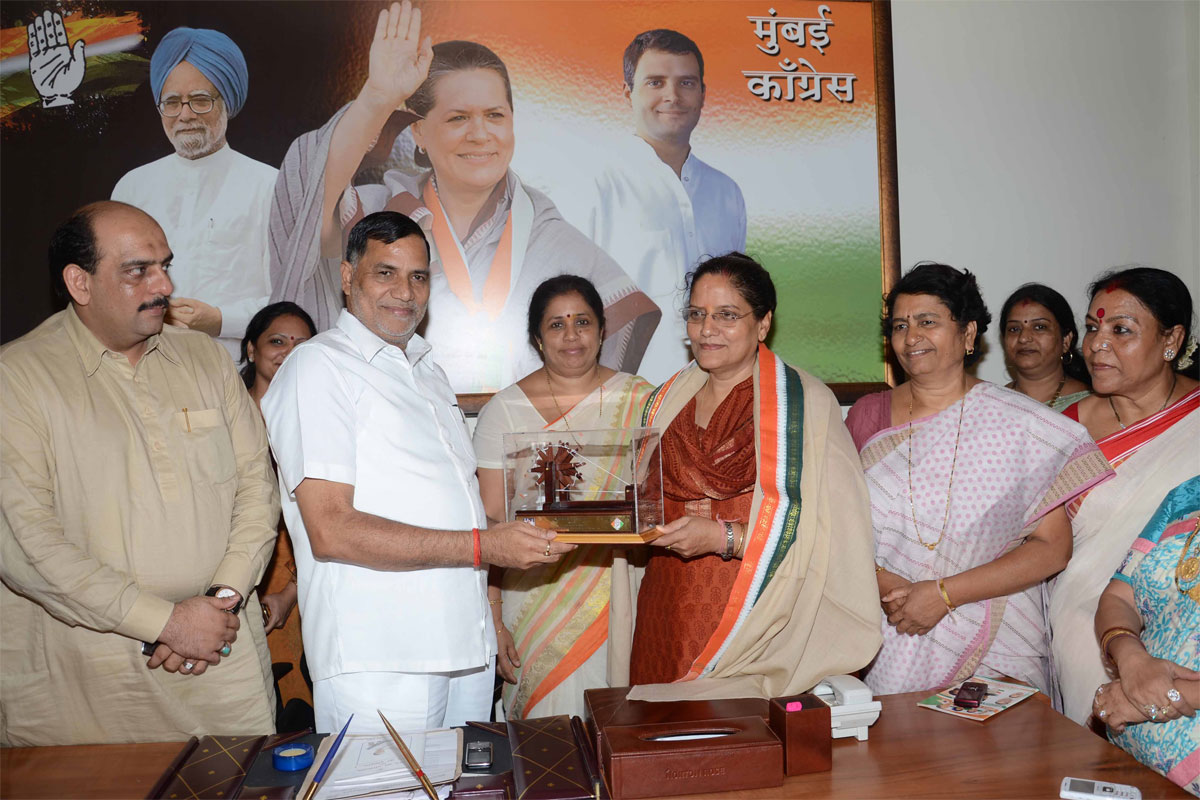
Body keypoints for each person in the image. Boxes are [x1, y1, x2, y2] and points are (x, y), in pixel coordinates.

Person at [261, 211, 574, 734]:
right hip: (382, 658)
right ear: (346, 276)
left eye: (419, 276)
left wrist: (486, 617)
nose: (404, 291)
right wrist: (485, 546)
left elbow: (452, 506)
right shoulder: (318, 366)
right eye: (385, 272)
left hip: (463, 652)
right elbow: (331, 529)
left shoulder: (428, 370)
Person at [270, 1, 658, 393]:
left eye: (495, 115)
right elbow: (306, 209)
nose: (480, 134)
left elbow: (601, 370)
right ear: (418, 133)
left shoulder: (552, 236)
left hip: (520, 441)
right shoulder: (381, 211)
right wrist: (377, 97)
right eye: (458, 118)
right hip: (394, 435)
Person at [0, 201, 278, 745]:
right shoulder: (18, 377)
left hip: (221, 660)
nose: (165, 284)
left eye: (165, 265)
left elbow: (256, 488)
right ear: (79, 282)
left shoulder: (204, 359)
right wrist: (165, 622)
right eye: (139, 270)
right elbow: (27, 545)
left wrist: (221, 602)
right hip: (86, 681)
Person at [612, 253, 880, 701]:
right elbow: (639, 501)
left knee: (739, 751)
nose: (707, 329)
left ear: (763, 323)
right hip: (665, 608)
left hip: (754, 617)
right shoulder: (663, 402)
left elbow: (833, 533)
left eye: (727, 315)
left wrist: (723, 539)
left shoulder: (805, 405)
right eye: (696, 314)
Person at [845, 263, 1112, 697]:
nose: (911, 337)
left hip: (998, 641)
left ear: (968, 335)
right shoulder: (866, 418)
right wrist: (885, 583)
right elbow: (838, 530)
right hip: (892, 628)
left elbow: (1052, 548)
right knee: (900, 763)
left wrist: (943, 595)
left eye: (927, 322)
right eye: (899, 325)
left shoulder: (1022, 425)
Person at [473, 275, 655, 718]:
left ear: (602, 331)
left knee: (618, 730)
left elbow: (656, 506)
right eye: (556, 325)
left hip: (619, 594)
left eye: (582, 322)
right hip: (533, 594)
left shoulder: (642, 400)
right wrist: (494, 618)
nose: (571, 336)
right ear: (537, 338)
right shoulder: (504, 411)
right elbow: (491, 522)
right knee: (547, 745)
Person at [551, 29, 746, 384]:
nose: (672, 96)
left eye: (686, 83)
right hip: (624, 399)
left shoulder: (726, 192)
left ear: (703, 94)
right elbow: (565, 305)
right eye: (655, 82)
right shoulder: (593, 185)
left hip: (716, 393)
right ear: (628, 93)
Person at [1050, 266, 1199, 724]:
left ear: (1172, 340)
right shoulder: (1062, 427)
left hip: (1186, 619)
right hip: (1087, 621)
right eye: (1093, 328)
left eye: (1121, 330)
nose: (1096, 344)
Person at [112, 27, 277, 361]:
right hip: (145, 373)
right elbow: (111, 290)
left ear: (227, 103)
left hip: (234, 374)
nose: (185, 114)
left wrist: (219, 320)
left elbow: (290, 299)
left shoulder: (269, 186)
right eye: (172, 102)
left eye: (200, 100)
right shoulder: (132, 187)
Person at [1090, 476, 1199, 795]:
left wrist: (1151, 697)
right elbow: (1120, 597)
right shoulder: (1186, 497)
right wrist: (1131, 658)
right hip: (1130, 759)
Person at [239, 301, 317, 712]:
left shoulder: (323, 421)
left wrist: (292, 592)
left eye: (302, 343)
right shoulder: (223, 416)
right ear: (251, 349)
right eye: (277, 340)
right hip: (236, 578)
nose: (288, 350)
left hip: (308, 578)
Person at [999, 283, 1091, 411]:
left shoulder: (1092, 405)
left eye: (1039, 327)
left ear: (1066, 340)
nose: (1023, 338)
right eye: (1014, 329)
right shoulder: (992, 403)